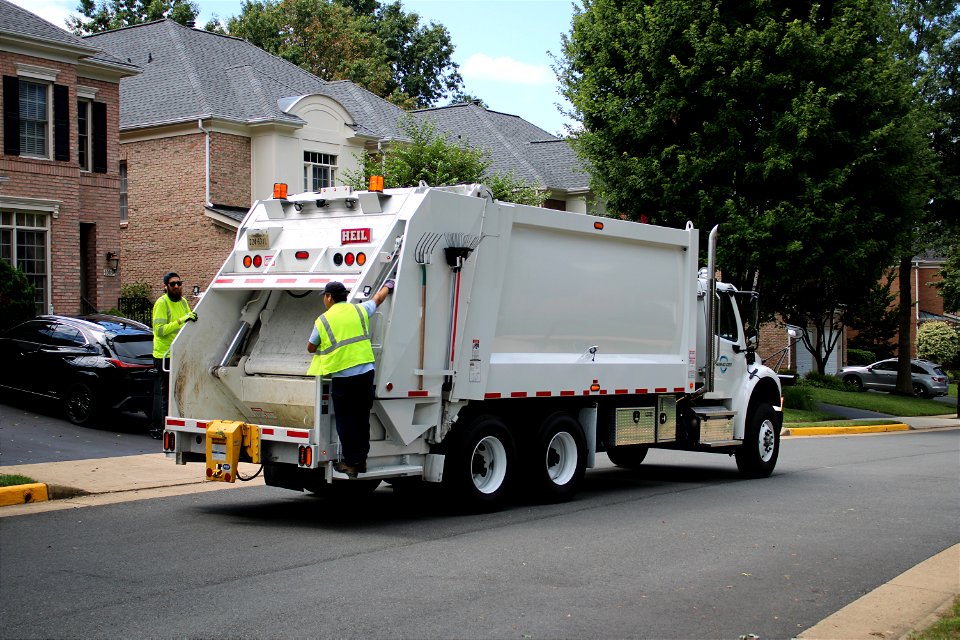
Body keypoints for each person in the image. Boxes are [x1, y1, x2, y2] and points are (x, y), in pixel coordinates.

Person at [307, 279, 394, 477]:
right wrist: (388, 286)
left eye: (325, 297)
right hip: (365, 374)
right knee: (362, 419)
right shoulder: (359, 310)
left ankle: (350, 462)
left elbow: (311, 347)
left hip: (343, 377)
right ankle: (361, 461)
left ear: (329, 297)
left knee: (345, 421)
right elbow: (378, 299)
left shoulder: (323, 320)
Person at [151, 271, 196, 438]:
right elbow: (160, 330)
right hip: (164, 356)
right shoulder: (161, 303)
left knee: (179, 392)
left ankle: (177, 425)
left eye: (179, 283)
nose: (177, 286)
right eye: (173, 284)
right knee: (167, 395)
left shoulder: (183, 302)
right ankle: (163, 429)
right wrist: (182, 320)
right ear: (166, 287)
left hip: (179, 354)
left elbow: (189, 322)